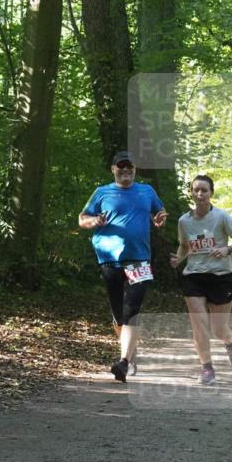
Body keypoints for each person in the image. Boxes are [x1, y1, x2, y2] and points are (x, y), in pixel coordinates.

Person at [79, 151, 168, 382]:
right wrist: (95, 221)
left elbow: (159, 211)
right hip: (109, 260)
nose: (125, 171)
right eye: (121, 167)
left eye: (129, 167)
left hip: (139, 259)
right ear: (113, 169)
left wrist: (159, 218)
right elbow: (82, 219)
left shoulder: (147, 191)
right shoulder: (102, 192)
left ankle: (124, 363)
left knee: (132, 311)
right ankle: (130, 353)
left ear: (135, 169)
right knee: (119, 316)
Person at [170, 175, 232, 385]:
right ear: (192, 193)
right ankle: (206, 367)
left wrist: (227, 249)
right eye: (196, 190)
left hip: (220, 276)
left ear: (211, 192)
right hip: (193, 276)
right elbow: (185, 246)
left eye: (204, 190)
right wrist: (179, 259)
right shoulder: (184, 221)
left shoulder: (222, 217)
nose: (200, 194)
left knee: (218, 329)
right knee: (199, 325)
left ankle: (230, 342)